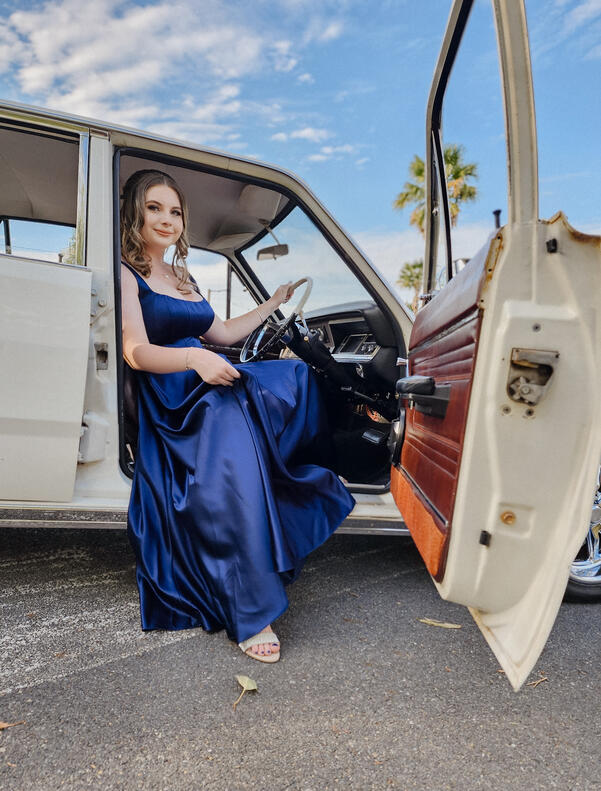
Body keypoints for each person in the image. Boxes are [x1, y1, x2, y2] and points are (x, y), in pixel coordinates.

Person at [120, 169, 355, 663]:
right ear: (134, 212)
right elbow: (135, 352)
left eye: (175, 211)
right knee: (229, 415)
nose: (167, 219)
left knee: (296, 376)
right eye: (154, 208)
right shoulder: (126, 273)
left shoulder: (182, 278)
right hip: (173, 394)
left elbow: (223, 333)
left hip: (206, 373)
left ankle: (288, 479)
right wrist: (194, 359)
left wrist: (273, 303)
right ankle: (251, 612)